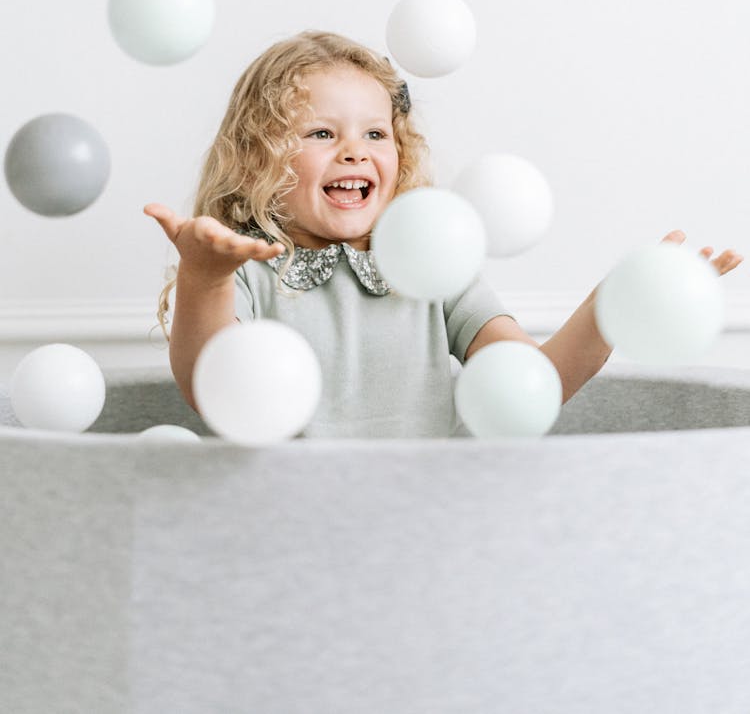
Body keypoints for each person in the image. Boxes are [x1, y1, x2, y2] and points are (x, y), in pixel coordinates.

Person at [145, 29, 743, 438]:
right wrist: (204, 278)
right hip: (295, 527)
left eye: (375, 135)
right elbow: (210, 387)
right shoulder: (245, 274)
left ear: (400, 154)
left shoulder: (437, 269)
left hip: (434, 521)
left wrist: (618, 308)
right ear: (258, 158)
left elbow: (533, 386)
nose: (354, 151)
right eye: (323, 134)